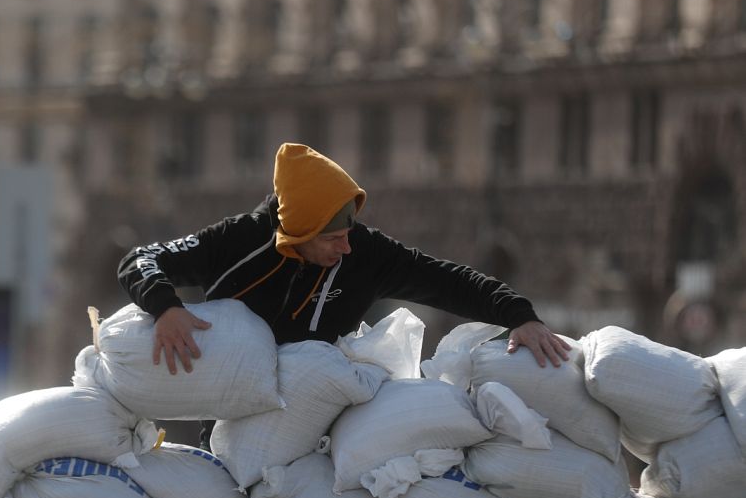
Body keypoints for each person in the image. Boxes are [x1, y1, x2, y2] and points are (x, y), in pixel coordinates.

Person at [118, 142, 570, 380]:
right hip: (228, 411)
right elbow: (141, 259)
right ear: (299, 232)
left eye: (348, 232)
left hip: (318, 410)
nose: (346, 247)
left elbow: (446, 279)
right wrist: (167, 308)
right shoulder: (238, 240)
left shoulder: (365, 253)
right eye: (332, 237)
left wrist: (518, 316)